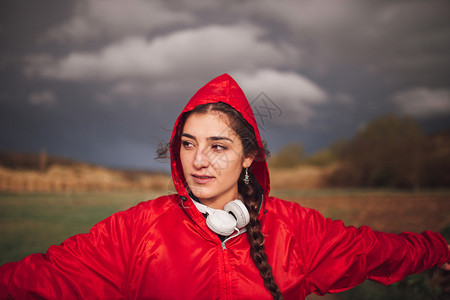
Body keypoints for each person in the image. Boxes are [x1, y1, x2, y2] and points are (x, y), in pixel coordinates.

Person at [0, 74, 449, 300]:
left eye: (218, 146)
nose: (198, 161)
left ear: (249, 156)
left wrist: (440, 248)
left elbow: (373, 250)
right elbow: (43, 277)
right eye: (188, 144)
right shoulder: (139, 228)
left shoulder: (294, 228)